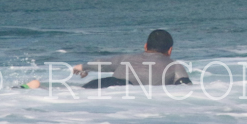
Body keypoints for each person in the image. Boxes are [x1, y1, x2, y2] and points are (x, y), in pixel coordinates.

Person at [22, 29, 192, 89]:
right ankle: (39, 87)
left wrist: (83, 66)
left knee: (70, 90)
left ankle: (35, 86)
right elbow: (186, 88)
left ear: (145, 46)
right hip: (124, 90)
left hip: (106, 82)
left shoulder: (127, 58)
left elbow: (103, 64)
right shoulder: (175, 66)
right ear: (169, 50)